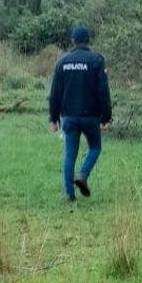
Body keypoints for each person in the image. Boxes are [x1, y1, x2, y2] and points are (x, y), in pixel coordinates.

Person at [49, 25, 112, 203]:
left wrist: (54, 118)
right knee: (95, 147)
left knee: (70, 154)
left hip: (69, 117)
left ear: (73, 41)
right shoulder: (96, 60)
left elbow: (55, 93)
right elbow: (103, 91)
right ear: (88, 41)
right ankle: (83, 175)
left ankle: (69, 195)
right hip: (91, 117)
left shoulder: (62, 62)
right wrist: (105, 118)